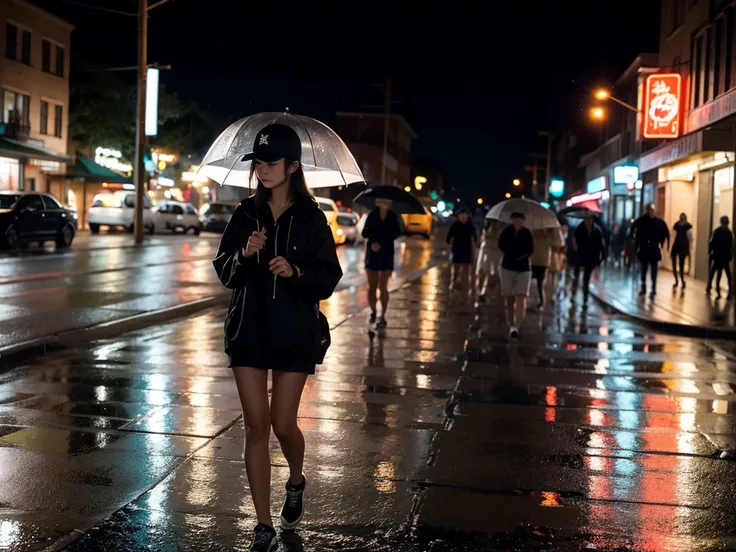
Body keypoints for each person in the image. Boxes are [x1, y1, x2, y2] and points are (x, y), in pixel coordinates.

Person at [213, 124, 342, 552]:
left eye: (270, 163)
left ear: (292, 167)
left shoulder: (311, 217)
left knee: (284, 424)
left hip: (293, 333)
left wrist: (295, 271)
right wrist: (245, 253)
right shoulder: (245, 214)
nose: (262, 170)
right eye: (258, 163)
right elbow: (224, 269)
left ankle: (296, 479)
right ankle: (263, 525)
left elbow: (328, 278)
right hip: (249, 329)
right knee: (256, 427)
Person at [362, 198, 403, 328]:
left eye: (387, 202)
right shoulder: (372, 215)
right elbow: (364, 232)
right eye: (382, 201)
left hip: (386, 254)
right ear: (377, 202)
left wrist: (385, 239)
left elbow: (398, 232)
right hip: (373, 253)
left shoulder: (393, 216)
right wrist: (373, 241)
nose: (384, 204)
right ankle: (373, 312)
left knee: (383, 286)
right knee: (372, 286)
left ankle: (383, 316)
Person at [498, 212, 534, 338]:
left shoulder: (527, 233)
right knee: (509, 297)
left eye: (520, 219)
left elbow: (530, 249)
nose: (517, 221)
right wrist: (510, 251)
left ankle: (516, 326)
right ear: (512, 219)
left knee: (521, 297)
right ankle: (510, 322)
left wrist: (521, 256)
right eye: (515, 219)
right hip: (507, 267)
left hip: (523, 269)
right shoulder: (507, 231)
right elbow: (500, 244)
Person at [631, 204, 670, 296]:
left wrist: (662, 242)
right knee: (644, 270)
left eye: (652, 210)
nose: (651, 212)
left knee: (653, 270)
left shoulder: (657, 222)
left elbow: (665, 233)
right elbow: (635, 233)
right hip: (645, 248)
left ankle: (653, 288)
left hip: (653, 249)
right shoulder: (642, 221)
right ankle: (644, 287)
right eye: (650, 210)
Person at [572, 215, 607, 305]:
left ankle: (585, 298)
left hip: (591, 258)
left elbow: (601, 245)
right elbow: (575, 243)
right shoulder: (579, 229)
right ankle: (574, 294)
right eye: (586, 219)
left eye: (590, 219)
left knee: (586, 279)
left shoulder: (597, 230)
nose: (588, 221)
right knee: (576, 276)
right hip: (580, 257)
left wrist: (602, 257)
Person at [447, 207, 478, 295]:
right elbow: (450, 238)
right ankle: (454, 282)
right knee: (456, 268)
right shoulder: (455, 225)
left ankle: (464, 287)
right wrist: (451, 248)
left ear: (468, 216)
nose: (463, 217)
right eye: (461, 215)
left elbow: (473, 239)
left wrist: (474, 250)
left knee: (466, 269)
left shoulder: (470, 226)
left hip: (467, 250)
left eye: (465, 215)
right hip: (456, 249)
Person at [706, 216, 734, 298]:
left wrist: (710, 251)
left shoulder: (717, 231)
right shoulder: (729, 232)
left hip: (717, 255)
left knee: (715, 272)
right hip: (724, 256)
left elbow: (712, 242)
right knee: (727, 274)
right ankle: (728, 291)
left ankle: (712, 288)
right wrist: (730, 255)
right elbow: (731, 245)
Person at [530, 228, 553, 310]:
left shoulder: (550, 235)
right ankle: (522, 300)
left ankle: (541, 303)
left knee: (540, 284)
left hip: (543, 262)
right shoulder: (533, 232)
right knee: (527, 282)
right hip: (534, 261)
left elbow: (558, 243)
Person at [671, 213, 692, 289]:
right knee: (681, 265)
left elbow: (673, 235)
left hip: (678, 246)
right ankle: (681, 280)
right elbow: (690, 239)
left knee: (678, 265)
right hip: (682, 247)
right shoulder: (688, 226)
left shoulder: (676, 225)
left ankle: (679, 280)